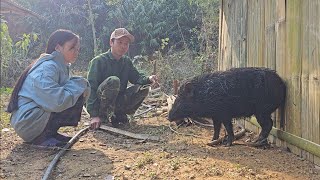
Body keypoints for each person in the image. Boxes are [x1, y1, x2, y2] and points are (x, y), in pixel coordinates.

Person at [7, 29, 90, 148]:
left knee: (77, 92)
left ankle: (50, 134)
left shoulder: (59, 65)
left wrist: (80, 86)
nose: (76, 52)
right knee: (77, 90)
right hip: (27, 123)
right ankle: (39, 138)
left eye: (77, 49)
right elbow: (56, 101)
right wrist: (81, 84)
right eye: (72, 48)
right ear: (58, 47)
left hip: (32, 119)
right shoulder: (47, 68)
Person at [87, 28, 157, 129]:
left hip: (119, 101)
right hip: (100, 103)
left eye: (126, 44)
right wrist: (94, 115)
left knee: (144, 88)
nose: (123, 46)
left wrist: (149, 78)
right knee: (114, 81)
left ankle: (120, 115)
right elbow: (90, 88)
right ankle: (103, 116)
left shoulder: (126, 61)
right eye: (120, 42)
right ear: (111, 42)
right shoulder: (98, 61)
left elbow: (136, 77)